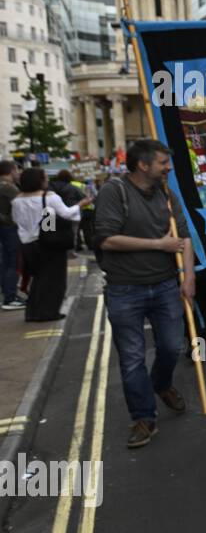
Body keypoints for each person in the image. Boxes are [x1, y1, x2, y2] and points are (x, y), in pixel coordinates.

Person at [93, 139, 194, 450]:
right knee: (133, 358)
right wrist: (158, 245)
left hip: (165, 285)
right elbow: (107, 239)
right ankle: (143, 418)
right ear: (143, 165)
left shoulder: (166, 192)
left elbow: (184, 236)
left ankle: (162, 384)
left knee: (172, 346)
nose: (169, 167)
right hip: (125, 289)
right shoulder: (115, 192)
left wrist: (189, 276)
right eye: (163, 162)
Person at [13, 166, 90, 322]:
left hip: (27, 244)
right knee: (54, 280)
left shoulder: (17, 200)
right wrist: (81, 204)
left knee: (39, 279)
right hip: (48, 243)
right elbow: (66, 214)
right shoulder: (49, 198)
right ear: (39, 181)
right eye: (45, 178)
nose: (48, 180)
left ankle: (33, 312)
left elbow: (17, 221)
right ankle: (49, 312)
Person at [0, 160, 23, 310]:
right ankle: (10, 297)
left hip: (4, 228)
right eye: (16, 170)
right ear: (10, 171)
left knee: (6, 262)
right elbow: (22, 205)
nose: (18, 173)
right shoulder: (8, 188)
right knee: (14, 262)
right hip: (10, 228)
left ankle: (9, 293)